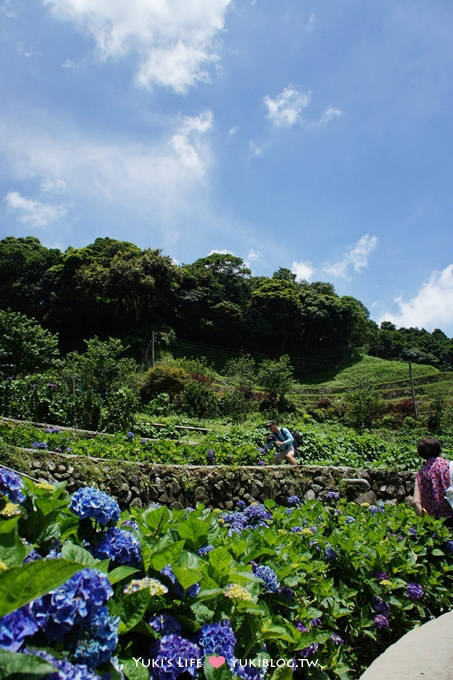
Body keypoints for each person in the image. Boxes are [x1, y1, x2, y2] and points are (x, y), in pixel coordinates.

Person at [413, 436, 453, 527]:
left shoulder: (421, 474)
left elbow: (416, 502)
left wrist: (426, 522)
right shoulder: (450, 466)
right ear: (439, 449)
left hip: (435, 522)